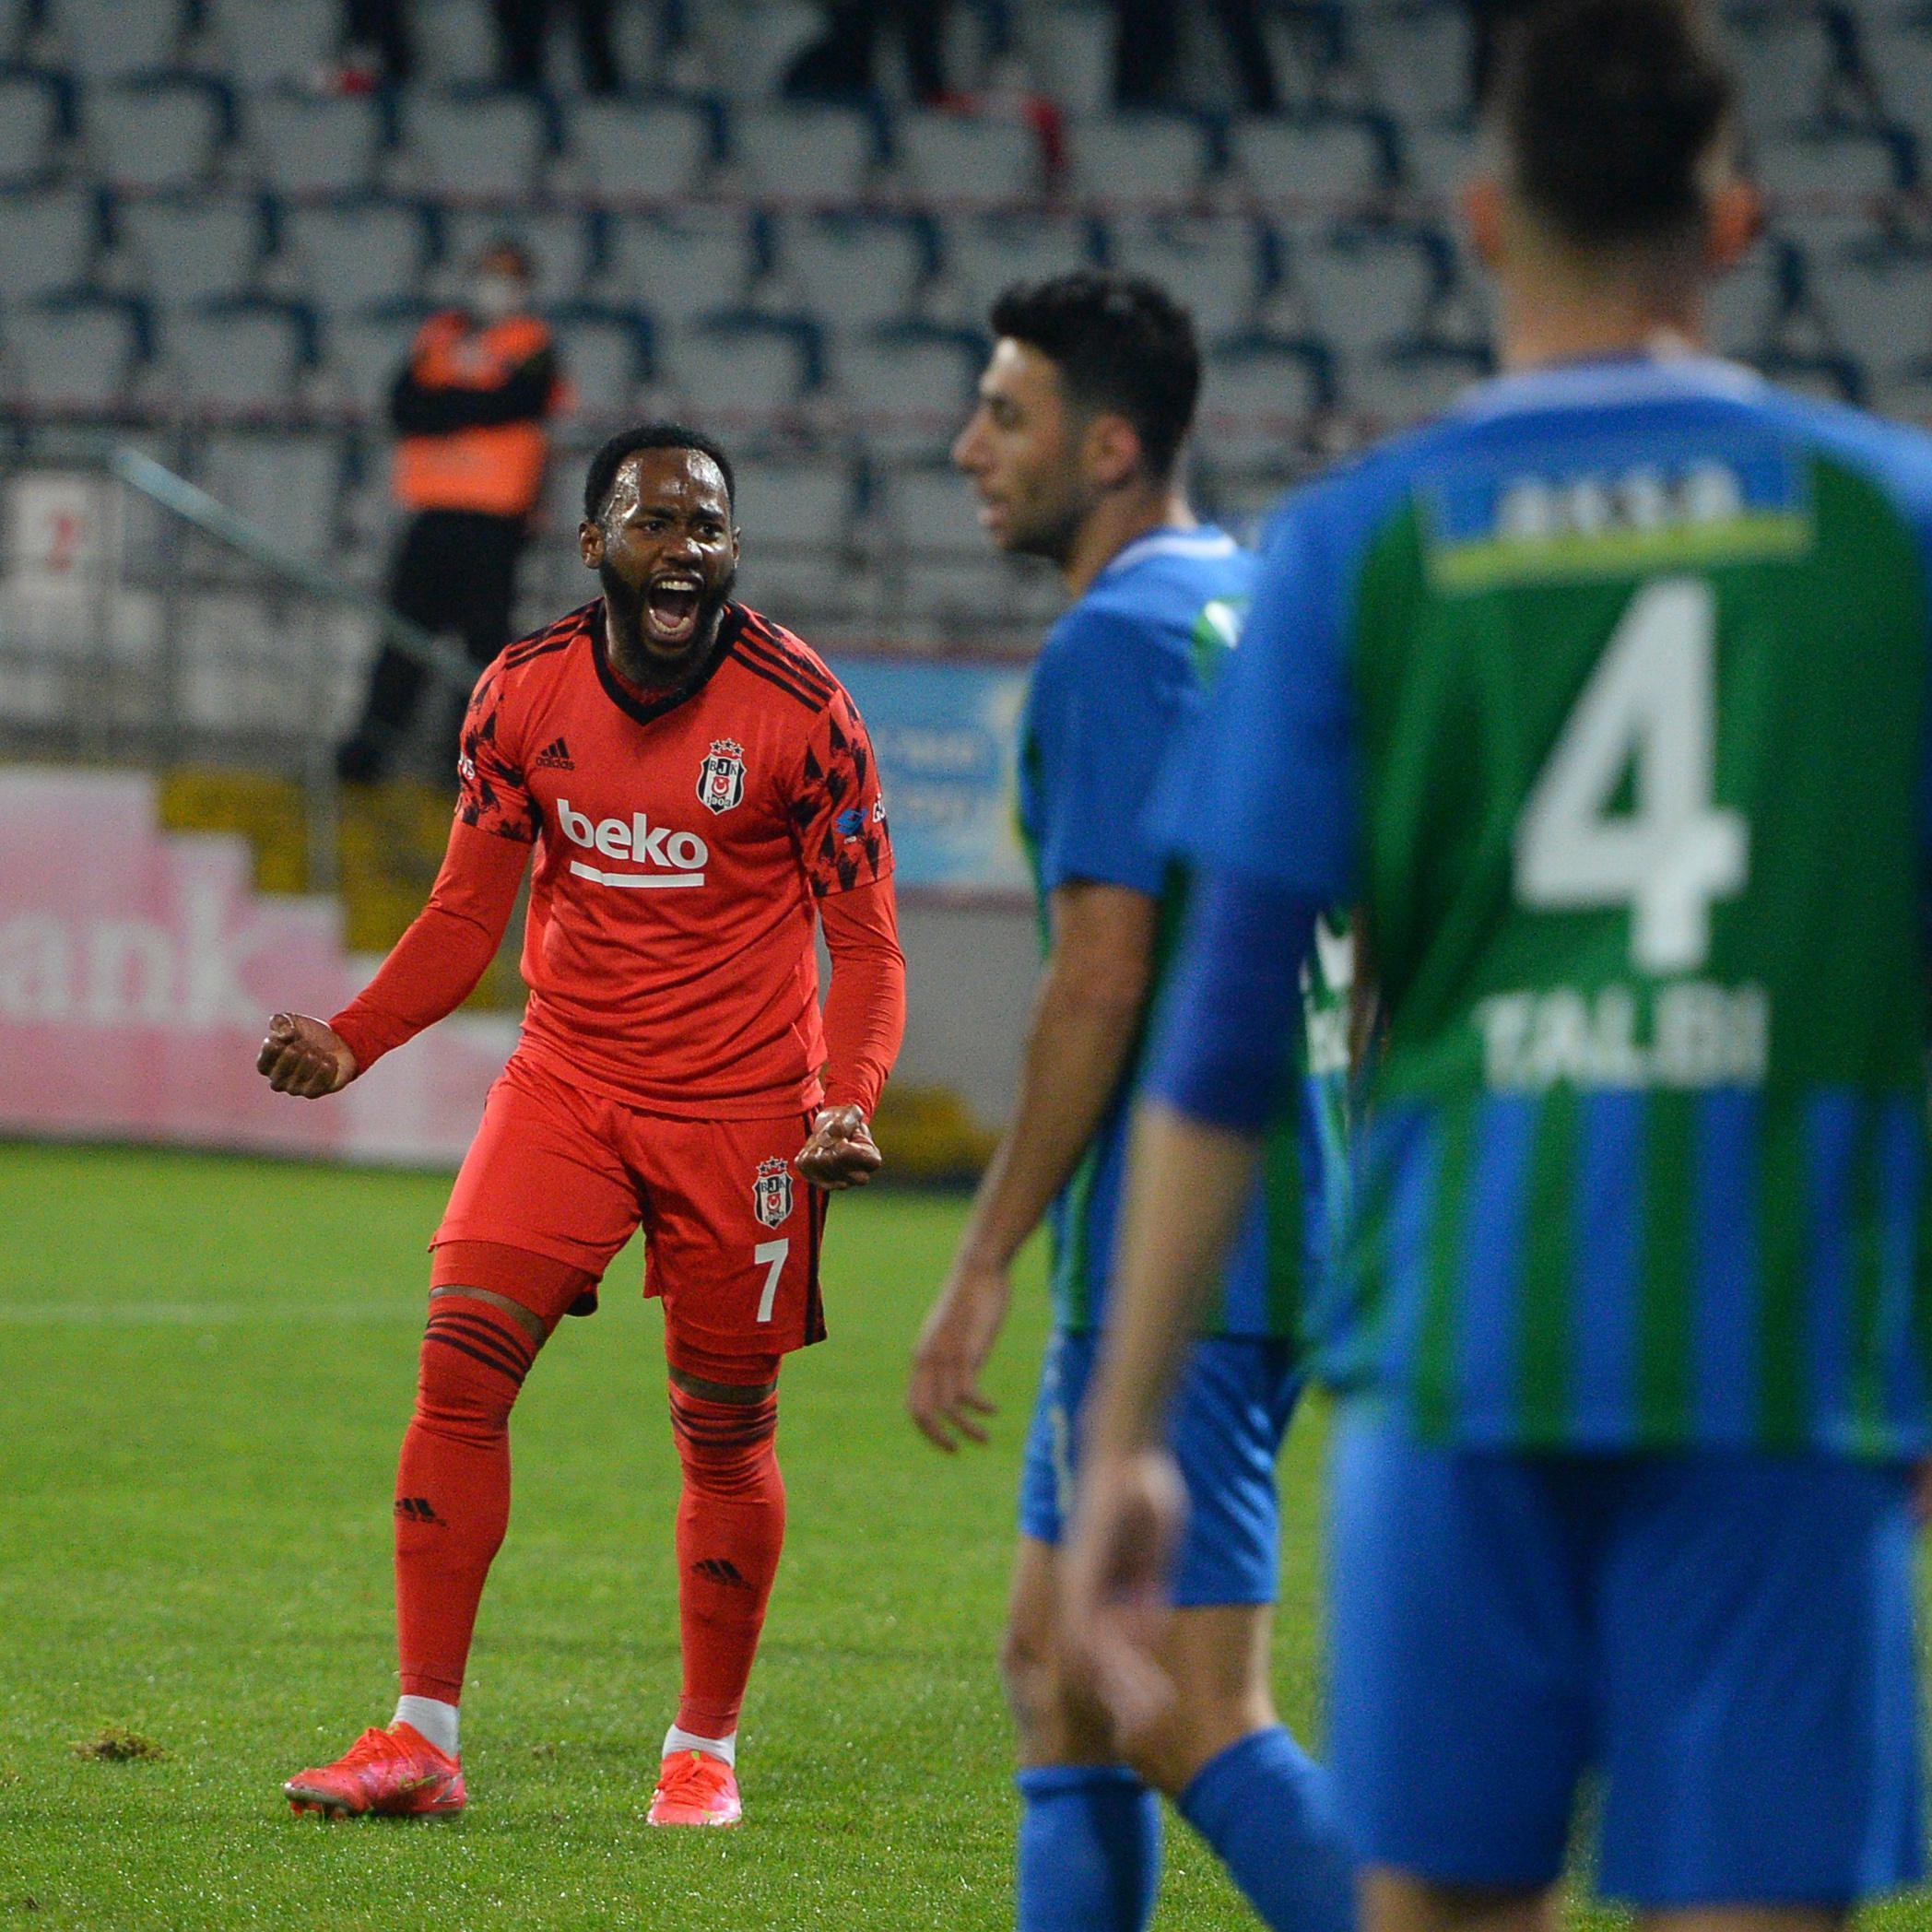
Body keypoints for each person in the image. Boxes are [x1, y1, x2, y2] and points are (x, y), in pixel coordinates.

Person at [1063, 4, 1932, 1929]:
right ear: (1730, 220)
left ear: (1476, 217)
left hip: (1467, 1343)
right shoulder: (1893, 527)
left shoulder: (1359, 548)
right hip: (1786, 1361)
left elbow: (1215, 1043)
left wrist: (1123, 1437)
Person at [264, 423, 906, 1828]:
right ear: (594, 544)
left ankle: (703, 1750)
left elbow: (865, 949)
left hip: (744, 1113)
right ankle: (420, 1737)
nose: (686, 549)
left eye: (710, 527)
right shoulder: (520, 693)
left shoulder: (805, 711)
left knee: (725, 1433)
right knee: (457, 1372)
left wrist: (842, 1099)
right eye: (657, 522)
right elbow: (463, 913)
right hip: (565, 1083)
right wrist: (353, 1037)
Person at [907, 270, 1355, 1932]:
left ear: (1108, 446)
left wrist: (981, 1255)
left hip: (1197, 1245)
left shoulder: (1116, 641)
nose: (968, 447)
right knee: (1058, 1673)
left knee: (1182, 1702)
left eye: (1003, 415)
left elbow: (1100, 975)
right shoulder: (1252, 600)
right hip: (1295, 1195)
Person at [336, 240, 565, 785]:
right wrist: (475, 403)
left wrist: (450, 404)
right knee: (404, 636)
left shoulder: (533, 342)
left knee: (484, 647)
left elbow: (522, 400)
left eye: (507, 276)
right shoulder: (438, 333)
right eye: (487, 273)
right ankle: (370, 753)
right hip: (431, 513)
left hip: (496, 520)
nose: (494, 285)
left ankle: (465, 762)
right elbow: (404, 405)